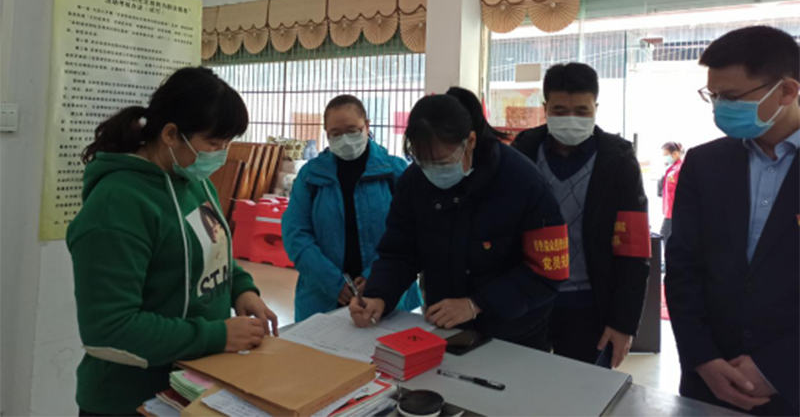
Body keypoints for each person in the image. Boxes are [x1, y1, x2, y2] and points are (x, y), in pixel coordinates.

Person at [67, 67, 279, 417]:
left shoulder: (192, 181)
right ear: (170, 134)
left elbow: (214, 251)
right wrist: (217, 336)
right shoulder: (116, 205)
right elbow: (109, 328)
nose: (221, 154)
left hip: (192, 384)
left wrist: (242, 290)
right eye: (214, 144)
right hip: (129, 400)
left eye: (226, 144)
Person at [350, 87, 568, 350]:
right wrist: (378, 296)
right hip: (444, 329)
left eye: (443, 162)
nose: (434, 171)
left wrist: (476, 304)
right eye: (423, 162)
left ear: (471, 141)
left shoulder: (523, 181)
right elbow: (400, 252)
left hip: (514, 333)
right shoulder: (414, 182)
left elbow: (548, 271)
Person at [666, 26, 800, 416]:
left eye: (731, 97)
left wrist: (777, 368)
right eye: (713, 96)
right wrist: (702, 358)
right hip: (708, 380)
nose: (719, 108)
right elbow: (683, 267)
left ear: (787, 91)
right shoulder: (705, 163)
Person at [512, 63, 650, 369]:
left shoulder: (618, 162)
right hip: (527, 301)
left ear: (596, 109)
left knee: (584, 392)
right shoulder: (522, 153)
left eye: (582, 111)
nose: (571, 119)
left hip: (591, 306)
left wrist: (623, 322)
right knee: (520, 385)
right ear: (545, 108)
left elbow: (633, 250)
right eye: (560, 111)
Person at [283, 95, 422, 322]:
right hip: (322, 298)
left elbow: (407, 234)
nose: (345, 139)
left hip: (390, 294)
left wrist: (376, 277)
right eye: (336, 133)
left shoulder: (394, 172)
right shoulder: (311, 176)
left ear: (366, 126)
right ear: (326, 133)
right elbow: (295, 233)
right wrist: (333, 282)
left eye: (352, 130)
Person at [660, 141, 684, 247]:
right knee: (667, 235)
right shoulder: (672, 167)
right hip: (669, 210)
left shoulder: (680, 168)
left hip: (675, 210)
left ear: (675, 153)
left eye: (666, 155)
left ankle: (669, 256)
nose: (665, 158)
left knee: (665, 234)